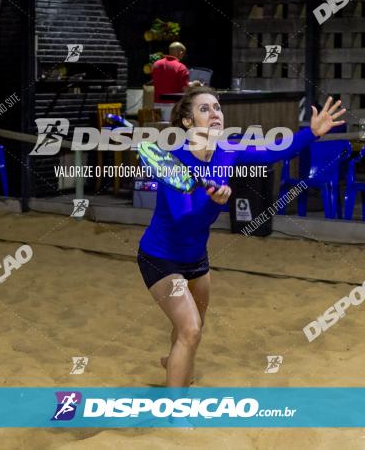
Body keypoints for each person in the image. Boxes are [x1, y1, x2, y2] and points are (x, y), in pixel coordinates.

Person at [137, 86, 345, 387]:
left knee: (192, 326)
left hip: (196, 259)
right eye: (205, 109)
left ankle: (173, 362)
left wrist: (310, 133)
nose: (215, 113)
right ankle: (174, 415)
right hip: (160, 258)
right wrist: (214, 200)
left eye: (218, 107)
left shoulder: (228, 150)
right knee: (190, 328)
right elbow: (184, 219)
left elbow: (274, 150)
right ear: (187, 122)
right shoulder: (174, 161)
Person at [151, 42, 201, 122]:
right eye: (183, 54)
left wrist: (190, 84)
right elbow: (185, 89)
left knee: (160, 131)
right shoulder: (181, 67)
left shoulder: (156, 65)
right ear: (180, 53)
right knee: (173, 131)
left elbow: (165, 81)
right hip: (173, 106)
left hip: (156, 105)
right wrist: (194, 85)